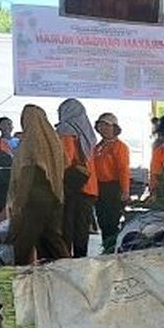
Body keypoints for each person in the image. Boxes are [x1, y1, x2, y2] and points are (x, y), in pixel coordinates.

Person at [7, 105, 68, 265]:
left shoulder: (30, 141)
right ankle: (68, 270)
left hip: (33, 199)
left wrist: (18, 203)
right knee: (52, 239)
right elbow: (66, 163)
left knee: (23, 242)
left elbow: (27, 171)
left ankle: (19, 274)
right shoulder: (54, 140)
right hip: (54, 195)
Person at [56, 98, 99, 258]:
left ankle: (66, 260)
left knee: (67, 226)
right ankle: (81, 259)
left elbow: (65, 160)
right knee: (82, 228)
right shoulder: (87, 130)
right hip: (88, 185)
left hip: (72, 186)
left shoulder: (65, 130)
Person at [94, 113, 131, 254]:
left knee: (111, 223)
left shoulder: (120, 147)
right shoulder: (98, 147)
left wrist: (125, 190)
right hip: (100, 188)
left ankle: (112, 251)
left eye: (106, 125)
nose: (102, 128)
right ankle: (107, 249)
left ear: (114, 128)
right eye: (100, 125)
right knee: (102, 221)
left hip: (113, 188)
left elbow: (123, 170)